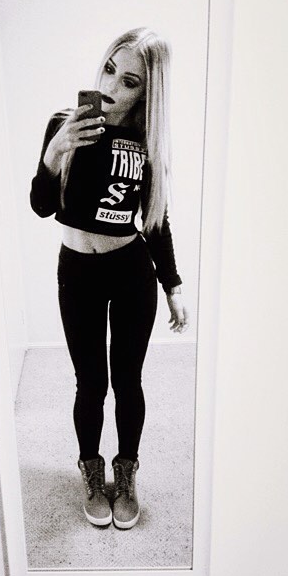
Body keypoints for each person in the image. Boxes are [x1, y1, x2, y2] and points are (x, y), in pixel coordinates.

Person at [30, 28, 188, 530]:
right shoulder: (64, 124)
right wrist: (55, 153)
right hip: (77, 271)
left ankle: (127, 469)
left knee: (128, 380)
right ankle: (91, 469)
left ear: (147, 92)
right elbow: (40, 206)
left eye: (130, 82)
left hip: (131, 271)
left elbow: (155, 220)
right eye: (109, 70)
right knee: (90, 381)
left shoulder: (147, 142)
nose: (112, 87)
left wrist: (173, 286)